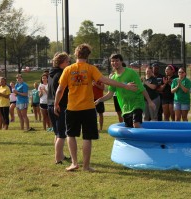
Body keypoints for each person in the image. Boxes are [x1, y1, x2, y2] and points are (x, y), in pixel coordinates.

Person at [54, 44, 138, 172]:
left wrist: (56, 104)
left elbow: (60, 89)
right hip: (88, 108)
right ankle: (86, 166)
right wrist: (124, 86)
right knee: (87, 137)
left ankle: (74, 163)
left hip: (72, 108)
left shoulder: (68, 69)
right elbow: (105, 80)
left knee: (71, 135)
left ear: (76, 54)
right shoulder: (90, 68)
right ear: (88, 56)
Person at [95, 53, 155, 128]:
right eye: (112, 61)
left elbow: (141, 88)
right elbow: (110, 94)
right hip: (125, 107)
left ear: (121, 61)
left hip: (137, 102)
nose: (114, 63)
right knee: (129, 127)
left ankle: (144, 138)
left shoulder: (131, 72)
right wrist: (100, 100)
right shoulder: (113, 78)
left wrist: (149, 101)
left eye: (117, 61)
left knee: (136, 124)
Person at [48, 52, 71, 164]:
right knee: (61, 134)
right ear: (62, 62)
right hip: (59, 106)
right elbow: (60, 91)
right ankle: (58, 159)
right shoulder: (61, 74)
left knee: (57, 133)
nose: (68, 63)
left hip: (50, 105)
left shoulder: (51, 73)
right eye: (67, 61)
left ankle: (60, 155)